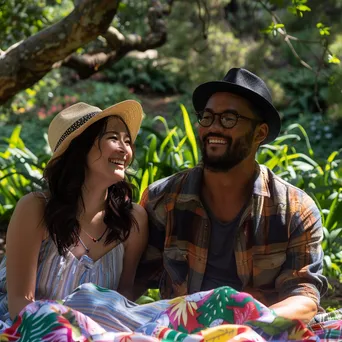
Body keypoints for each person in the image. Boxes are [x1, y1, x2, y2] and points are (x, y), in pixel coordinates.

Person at [140, 67, 329, 324]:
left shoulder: (296, 210)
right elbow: (132, 281)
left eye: (229, 119)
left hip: (262, 334)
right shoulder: (163, 199)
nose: (213, 128)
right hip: (181, 333)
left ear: (259, 134)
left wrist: (245, 326)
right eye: (207, 117)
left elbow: (304, 297)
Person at [0, 100, 148, 325]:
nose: (125, 149)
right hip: (25, 330)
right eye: (113, 138)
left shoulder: (132, 220)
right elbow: (21, 303)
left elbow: (123, 299)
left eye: (127, 141)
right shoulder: (35, 209)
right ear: (81, 147)